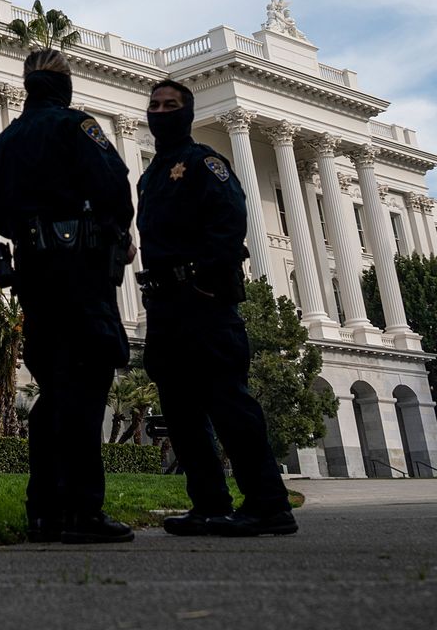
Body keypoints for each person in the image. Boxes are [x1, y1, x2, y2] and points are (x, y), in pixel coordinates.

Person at [136, 78, 297, 537]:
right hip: (165, 306)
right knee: (181, 411)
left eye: (170, 105)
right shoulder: (151, 174)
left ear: (186, 114)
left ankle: (268, 505)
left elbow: (230, 222)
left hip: (203, 304)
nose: (161, 111)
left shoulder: (205, 162)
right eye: (155, 105)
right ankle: (209, 505)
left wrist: (208, 281)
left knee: (228, 405)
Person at [0, 49, 136, 544]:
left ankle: (44, 510)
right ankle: (83, 512)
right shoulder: (77, 127)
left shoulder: (5, 141)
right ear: (64, 85)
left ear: (28, 85)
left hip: (34, 276)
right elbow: (115, 185)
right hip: (81, 273)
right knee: (89, 387)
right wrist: (114, 230)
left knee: (54, 390)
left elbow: (2, 215)